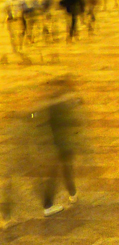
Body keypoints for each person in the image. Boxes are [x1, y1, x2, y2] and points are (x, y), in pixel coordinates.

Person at [41, 77, 80, 217]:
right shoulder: (57, 104)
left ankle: (73, 193)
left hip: (59, 143)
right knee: (55, 173)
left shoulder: (55, 101)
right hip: (58, 143)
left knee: (65, 168)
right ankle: (48, 205)